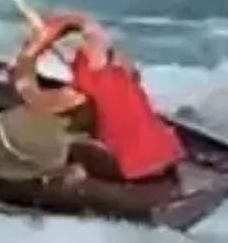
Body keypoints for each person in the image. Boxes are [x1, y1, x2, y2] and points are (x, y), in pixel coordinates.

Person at [60, 14, 186, 184]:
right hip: (167, 156)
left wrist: (38, 45)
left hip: (134, 168)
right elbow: (95, 33)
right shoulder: (125, 75)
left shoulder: (89, 80)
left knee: (73, 143)